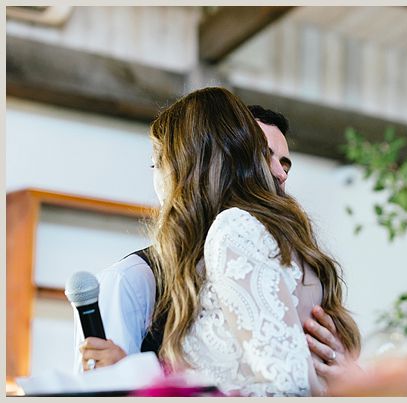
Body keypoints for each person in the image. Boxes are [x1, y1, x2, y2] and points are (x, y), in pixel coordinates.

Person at [75, 105, 355, 382]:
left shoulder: (245, 236)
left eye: (285, 164)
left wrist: (350, 377)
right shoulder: (134, 278)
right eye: (263, 155)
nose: (279, 174)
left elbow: (286, 381)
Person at [148, 87, 358, 395]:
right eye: (266, 155)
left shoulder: (235, 231)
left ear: (186, 161)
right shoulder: (267, 237)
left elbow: (289, 387)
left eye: (157, 161)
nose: (278, 173)